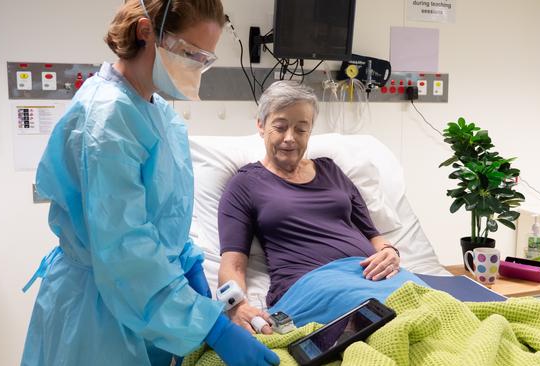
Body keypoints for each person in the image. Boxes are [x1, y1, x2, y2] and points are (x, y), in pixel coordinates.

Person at [21, 1, 279, 365]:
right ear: (145, 31)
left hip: (148, 298)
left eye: (205, 58)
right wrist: (212, 328)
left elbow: (167, 217)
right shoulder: (107, 118)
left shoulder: (157, 112)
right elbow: (125, 251)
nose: (197, 67)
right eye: (191, 53)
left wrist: (194, 277)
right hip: (98, 313)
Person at [218, 81, 401, 334]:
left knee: (434, 305)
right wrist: (236, 306)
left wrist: (390, 253)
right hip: (314, 286)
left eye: (301, 129)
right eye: (280, 127)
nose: (290, 138)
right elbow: (233, 265)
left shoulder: (331, 170)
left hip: (374, 276)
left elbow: (373, 234)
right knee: (387, 327)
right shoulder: (245, 184)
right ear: (261, 126)